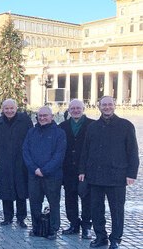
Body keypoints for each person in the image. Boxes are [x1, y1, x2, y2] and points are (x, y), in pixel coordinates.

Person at [79, 96, 139, 249]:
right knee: (96, 209)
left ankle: (115, 239)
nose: (106, 107)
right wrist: (82, 171)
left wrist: (131, 174)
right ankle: (101, 236)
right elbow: (85, 151)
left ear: (114, 105)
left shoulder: (126, 125)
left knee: (117, 211)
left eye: (109, 104)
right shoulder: (92, 127)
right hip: (95, 176)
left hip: (116, 176)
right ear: (99, 106)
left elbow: (132, 151)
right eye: (103, 105)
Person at [23, 106, 66, 240]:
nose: (42, 118)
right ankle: (36, 227)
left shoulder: (59, 133)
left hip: (52, 175)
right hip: (34, 174)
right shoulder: (31, 132)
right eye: (40, 116)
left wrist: (44, 170)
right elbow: (25, 151)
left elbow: (59, 155)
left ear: (51, 117)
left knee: (53, 203)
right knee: (35, 203)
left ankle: (53, 229)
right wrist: (34, 169)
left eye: (45, 116)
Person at [0, 98, 33, 228]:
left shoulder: (25, 120)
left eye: (11, 108)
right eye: (6, 108)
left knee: (21, 191)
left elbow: (31, 140)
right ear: (2, 109)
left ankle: (21, 218)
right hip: (4, 161)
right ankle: (7, 217)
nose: (9, 111)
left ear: (16, 108)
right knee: (6, 190)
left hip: (21, 161)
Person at [59, 99, 94, 239]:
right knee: (70, 198)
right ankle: (74, 223)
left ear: (83, 109)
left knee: (86, 198)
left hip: (85, 169)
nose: (75, 110)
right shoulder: (63, 125)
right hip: (68, 169)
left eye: (78, 108)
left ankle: (86, 226)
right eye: (72, 108)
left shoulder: (92, 125)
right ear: (69, 109)